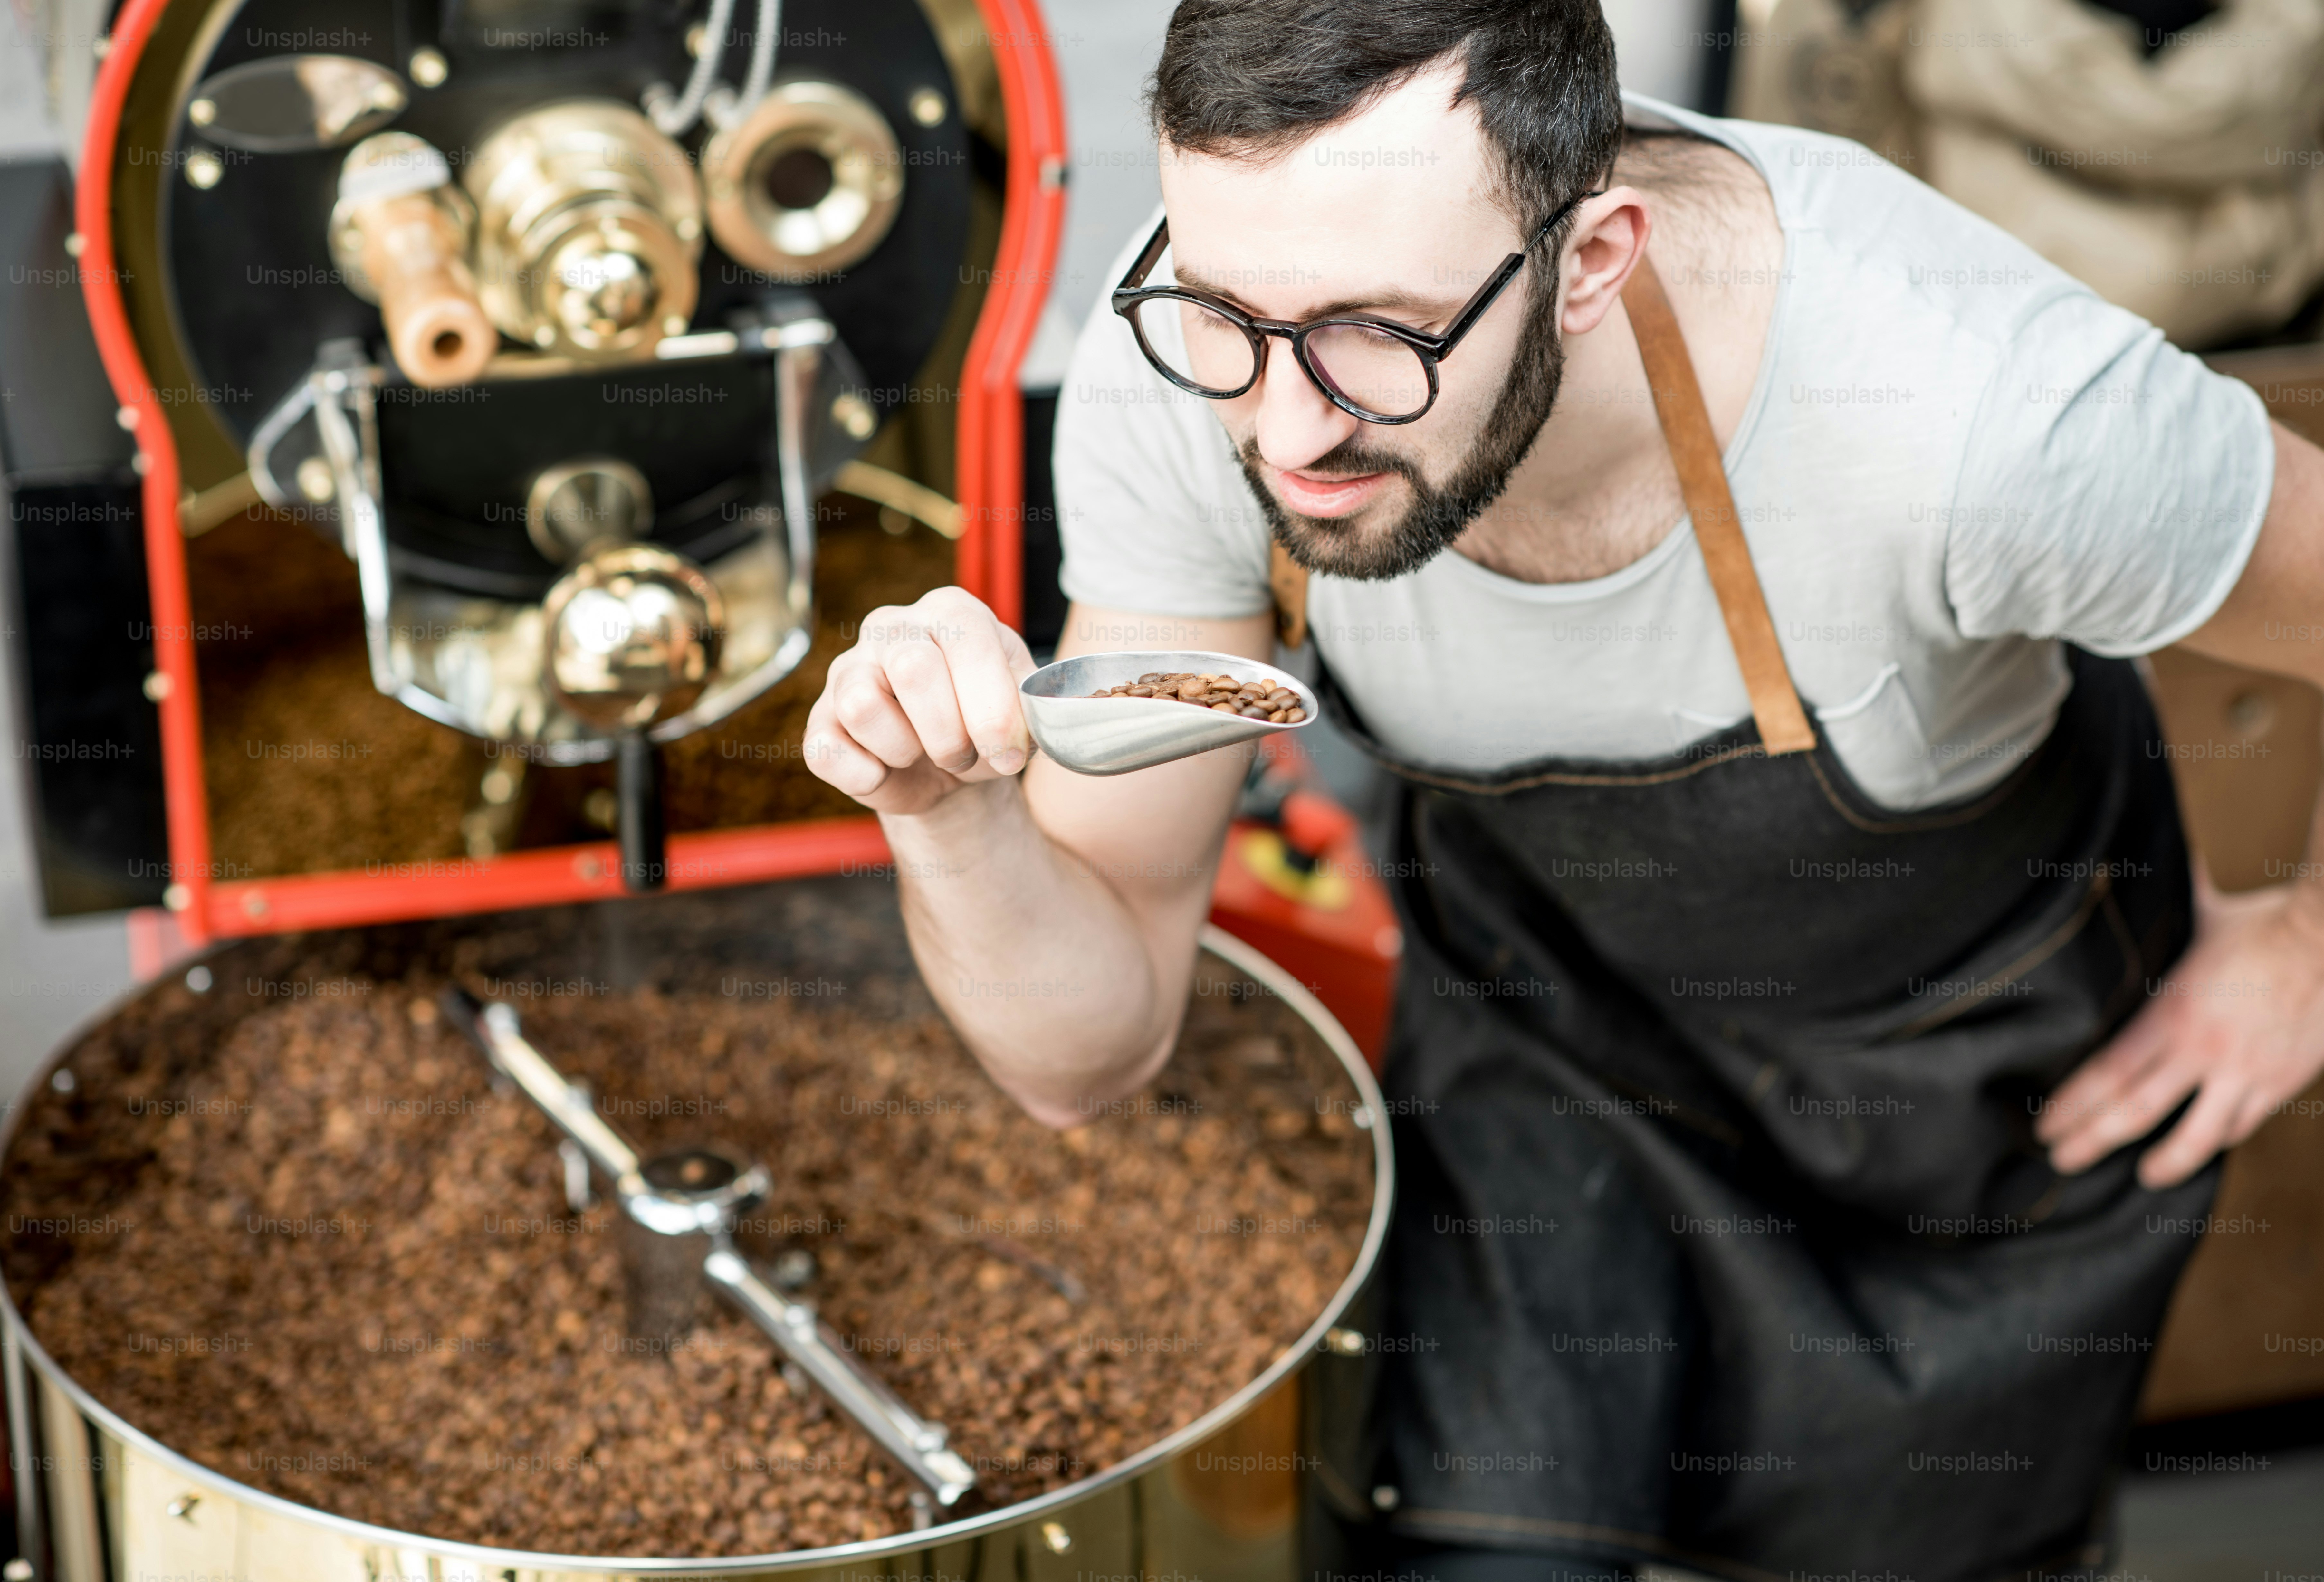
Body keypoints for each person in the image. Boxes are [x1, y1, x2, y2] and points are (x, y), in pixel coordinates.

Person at [800, 2, 2324, 1577]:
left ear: (1592, 258)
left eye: (1376, 338)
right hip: (1546, 1065)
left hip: (1960, 1129)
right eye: (1224, 313)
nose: (1283, 425)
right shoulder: (1202, 383)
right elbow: (1086, 1051)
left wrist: (2302, 957)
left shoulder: (1979, 419)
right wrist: (948, 814)